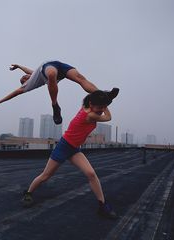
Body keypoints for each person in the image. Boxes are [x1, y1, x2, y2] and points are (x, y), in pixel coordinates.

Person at [22, 89, 119, 219]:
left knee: (91, 174)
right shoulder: (90, 115)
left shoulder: (87, 105)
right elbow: (109, 117)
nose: (101, 110)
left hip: (74, 149)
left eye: (103, 107)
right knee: (46, 176)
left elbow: (93, 95)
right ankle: (28, 193)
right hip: (63, 147)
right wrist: (107, 103)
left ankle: (102, 205)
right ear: (91, 105)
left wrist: (107, 98)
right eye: (100, 107)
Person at [0, 60, 102, 124]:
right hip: (50, 69)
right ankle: (55, 105)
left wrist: (18, 66)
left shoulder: (33, 74)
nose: (25, 76)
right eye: (24, 79)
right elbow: (15, 92)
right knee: (51, 74)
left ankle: (103, 95)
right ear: (26, 82)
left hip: (59, 65)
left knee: (81, 78)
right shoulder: (30, 84)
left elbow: (27, 70)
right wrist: (0, 101)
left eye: (25, 75)